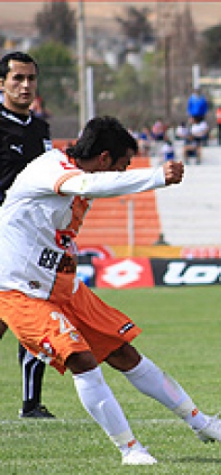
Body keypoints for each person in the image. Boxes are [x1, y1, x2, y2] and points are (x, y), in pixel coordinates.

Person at [0, 116, 221, 465]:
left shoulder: (75, 174)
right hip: (20, 291)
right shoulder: (49, 169)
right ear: (103, 159)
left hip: (63, 287)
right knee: (82, 360)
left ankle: (201, 422)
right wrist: (157, 177)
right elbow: (88, 187)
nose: (122, 171)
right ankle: (131, 450)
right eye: (121, 165)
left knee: (125, 355)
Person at [0, 51, 55, 419]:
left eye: (30, 79)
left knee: (35, 315)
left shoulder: (40, 130)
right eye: (17, 78)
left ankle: (32, 404)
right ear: (1, 83)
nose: (25, 86)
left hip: (31, 241)